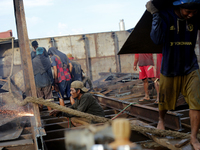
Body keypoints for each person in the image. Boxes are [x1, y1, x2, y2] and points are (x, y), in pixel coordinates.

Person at [147, 0, 200, 149]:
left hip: (190, 66)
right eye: (187, 12)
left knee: (196, 101)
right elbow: (156, 39)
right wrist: (155, 14)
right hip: (169, 68)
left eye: (194, 12)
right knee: (164, 101)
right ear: (178, 6)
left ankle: (194, 138)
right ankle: (161, 120)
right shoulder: (165, 16)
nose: (190, 15)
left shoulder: (196, 17)